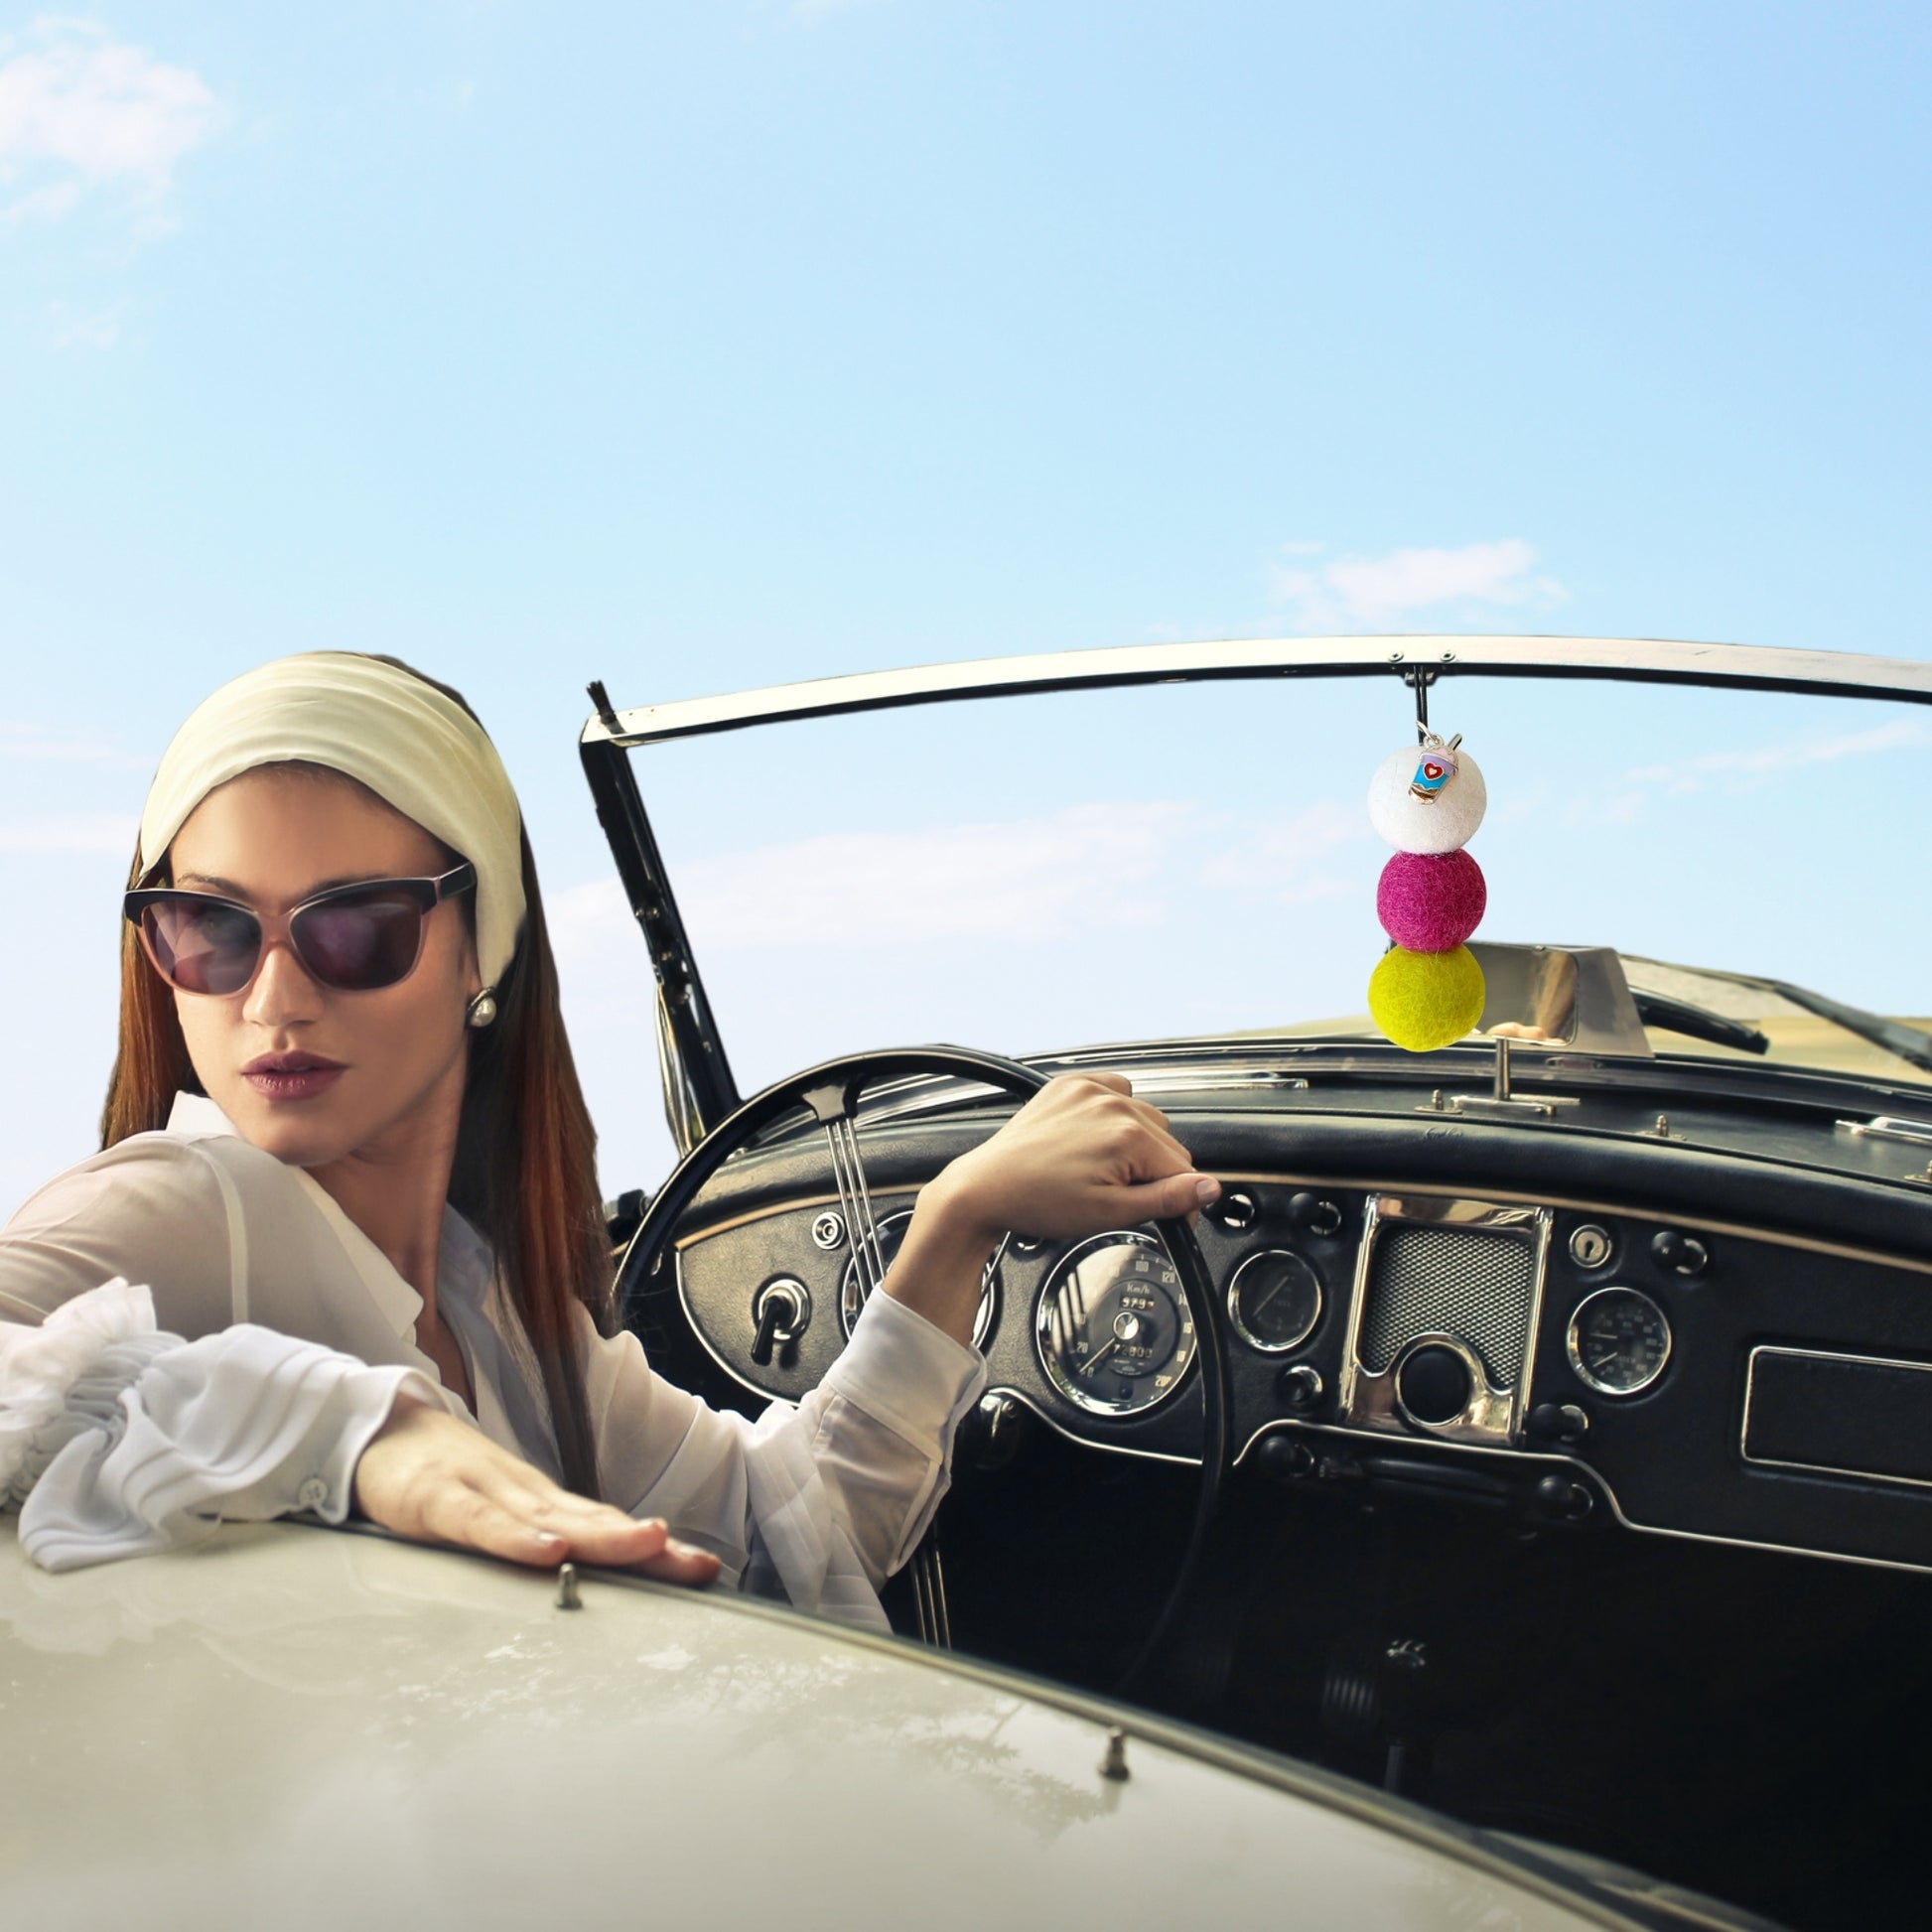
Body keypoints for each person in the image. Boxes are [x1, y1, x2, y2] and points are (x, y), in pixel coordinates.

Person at [0, 652, 1219, 1627]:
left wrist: (957, 1221)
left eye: (356, 927)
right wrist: (344, 1426)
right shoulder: (186, 1198)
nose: (269, 1000)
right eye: (206, 928)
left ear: (484, 948)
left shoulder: (502, 1315)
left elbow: (794, 1531)